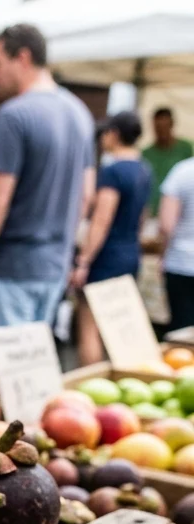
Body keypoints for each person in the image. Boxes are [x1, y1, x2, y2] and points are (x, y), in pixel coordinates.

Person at [0, 24, 95, 392]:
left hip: (12, 268)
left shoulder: (14, 115)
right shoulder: (79, 113)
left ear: (24, 57)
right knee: (31, 382)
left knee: (0, 385)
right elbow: (86, 194)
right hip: (53, 266)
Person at [70, 112, 152, 363]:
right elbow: (143, 216)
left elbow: (101, 221)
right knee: (118, 325)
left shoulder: (113, 171)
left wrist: (84, 260)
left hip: (107, 255)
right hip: (130, 252)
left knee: (90, 325)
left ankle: (90, 381)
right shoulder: (144, 169)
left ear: (114, 134)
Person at [160, 155, 194, 333]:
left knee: (183, 332)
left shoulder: (182, 172)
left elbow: (167, 225)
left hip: (182, 262)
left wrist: (162, 254)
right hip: (181, 263)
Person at [143, 108, 193, 217]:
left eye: (165, 127)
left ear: (172, 124)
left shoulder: (186, 148)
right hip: (153, 211)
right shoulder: (146, 154)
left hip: (181, 212)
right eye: (158, 128)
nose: (162, 132)